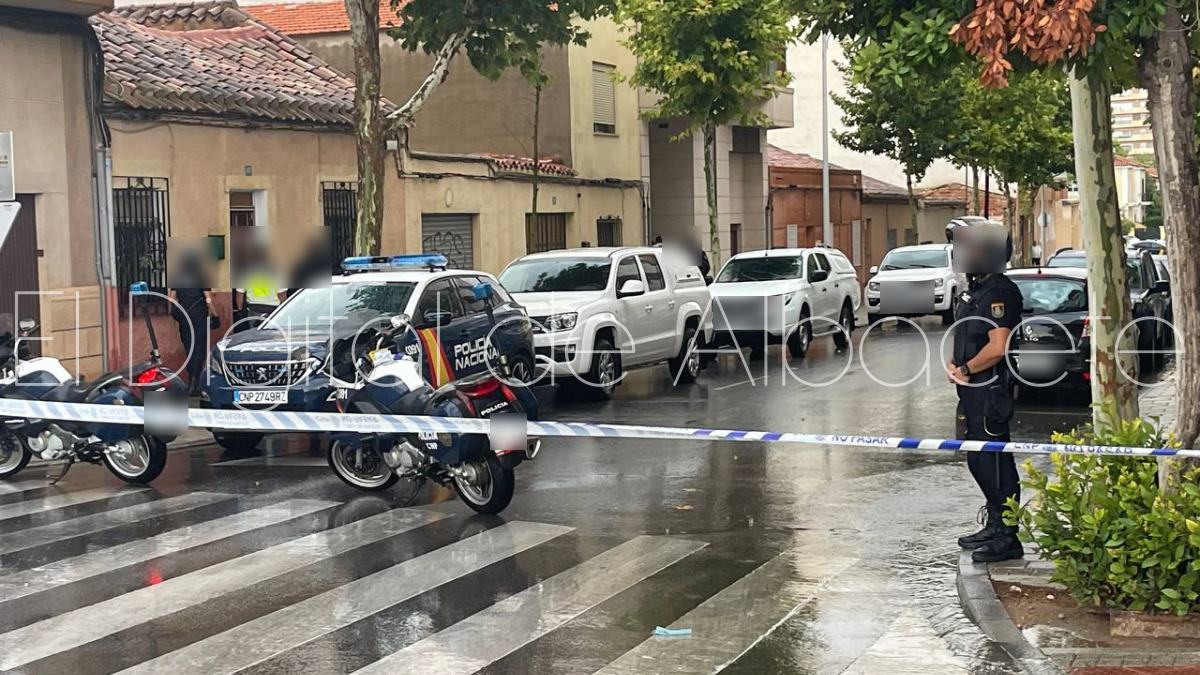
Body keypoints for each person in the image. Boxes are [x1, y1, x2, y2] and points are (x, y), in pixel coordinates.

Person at [945, 219, 1025, 563]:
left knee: (993, 459)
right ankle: (995, 523)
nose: (964, 254)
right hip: (972, 389)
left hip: (991, 389)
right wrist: (955, 363)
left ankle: (1007, 536)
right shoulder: (975, 289)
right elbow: (967, 333)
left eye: (971, 248)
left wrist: (966, 369)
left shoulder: (1000, 292)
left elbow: (997, 347)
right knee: (978, 457)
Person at [170, 250, 217, 396]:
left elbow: (171, 298)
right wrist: (215, 314)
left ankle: (191, 380)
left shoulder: (178, 276)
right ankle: (196, 383)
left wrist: (178, 311)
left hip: (185, 318)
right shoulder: (201, 276)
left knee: (189, 348)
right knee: (199, 349)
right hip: (199, 317)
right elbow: (208, 299)